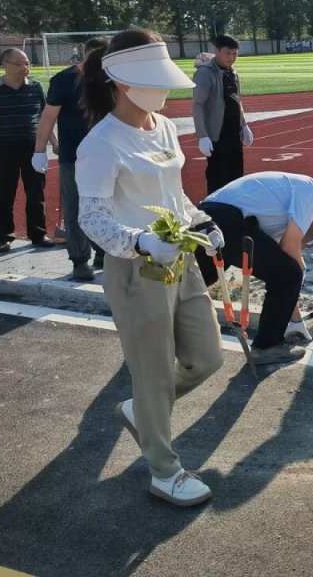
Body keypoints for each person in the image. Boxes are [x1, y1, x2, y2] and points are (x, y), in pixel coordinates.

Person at [76, 28, 226, 507]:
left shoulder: (163, 126)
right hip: (136, 271)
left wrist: (200, 221)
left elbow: (172, 194)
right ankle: (165, 471)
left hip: (180, 259)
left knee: (208, 357)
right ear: (121, 81)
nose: (162, 88)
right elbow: (91, 218)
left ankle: (143, 410)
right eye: (151, 79)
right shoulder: (100, 143)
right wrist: (139, 243)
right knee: (155, 371)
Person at [196, 173, 313, 362]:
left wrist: (295, 320)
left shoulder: (281, 211)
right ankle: (266, 347)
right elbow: (289, 248)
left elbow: (279, 259)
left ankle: (168, 325)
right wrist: (300, 270)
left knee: (199, 279)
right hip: (227, 218)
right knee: (289, 274)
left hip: (206, 218)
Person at [33, 37, 109, 280]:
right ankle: (79, 260)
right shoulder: (64, 80)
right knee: (75, 207)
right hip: (73, 156)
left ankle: (103, 251)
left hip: (107, 155)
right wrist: (39, 150)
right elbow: (48, 117)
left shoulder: (110, 78)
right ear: (85, 54)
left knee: (107, 205)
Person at [0, 48, 56, 252]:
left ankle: (38, 234)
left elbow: (44, 118)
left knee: (36, 193)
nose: (25, 68)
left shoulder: (35, 88)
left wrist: (54, 142)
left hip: (34, 148)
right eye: (19, 64)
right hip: (3, 149)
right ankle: (4, 237)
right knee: (2, 195)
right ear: (5, 65)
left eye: (27, 63)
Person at [192, 35, 253, 194]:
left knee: (236, 175)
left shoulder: (232, 73)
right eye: (227, 53)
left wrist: (244, 125)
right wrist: (202, 135)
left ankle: (233, 206)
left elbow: (237, 100)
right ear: (217, 51)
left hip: (234, 133)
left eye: (234, 54)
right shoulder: (205, 73)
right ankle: (215, 207)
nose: (231, 58)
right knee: (218, 177)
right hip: (217, 135)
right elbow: (198, 104)